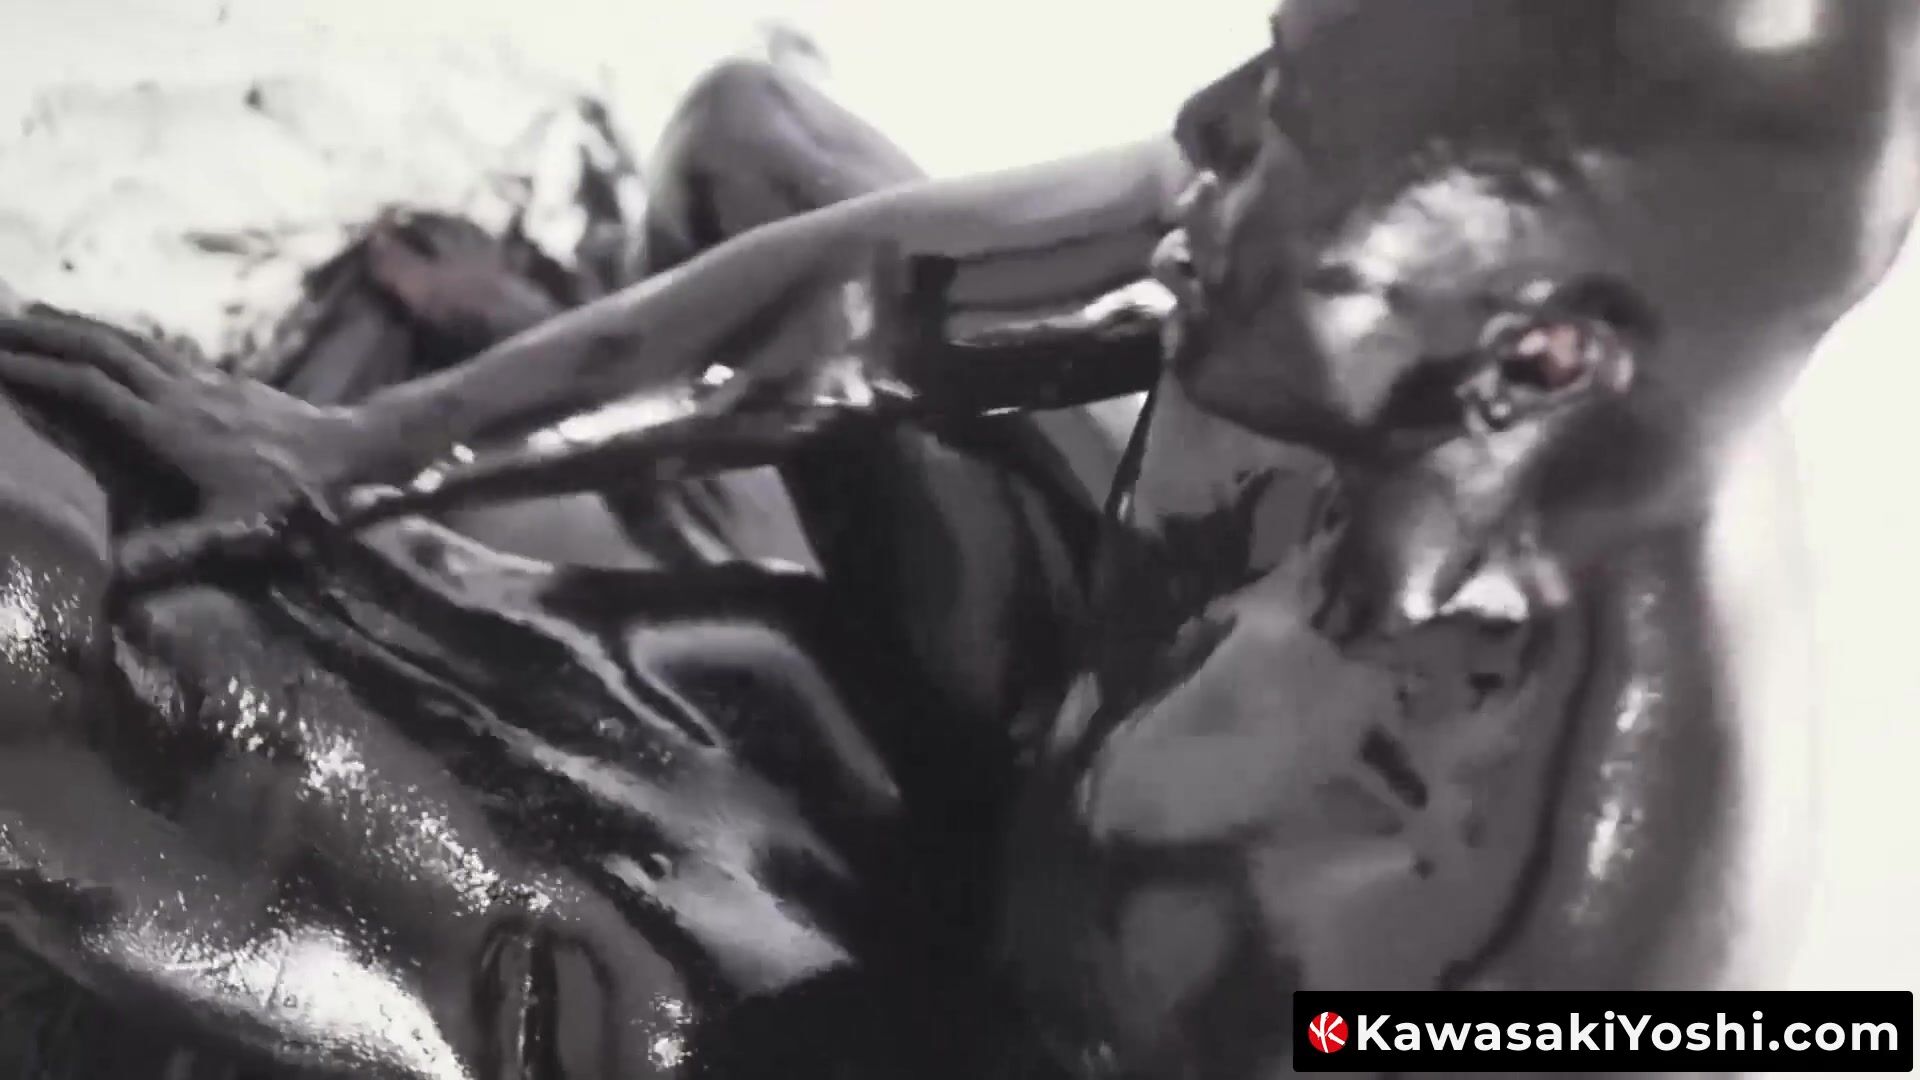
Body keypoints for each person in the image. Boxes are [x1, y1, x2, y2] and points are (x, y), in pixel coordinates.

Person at [2, 1, 1918, 1076]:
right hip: (1060, 763)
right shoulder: (1367, 314)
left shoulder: (1539, 932)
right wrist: (362, 452)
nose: (1206, 124)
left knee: (103, 631)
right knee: (745, 141)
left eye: (1288, 136)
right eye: (1278, 54)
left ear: (1538, 357)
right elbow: (879, 307)